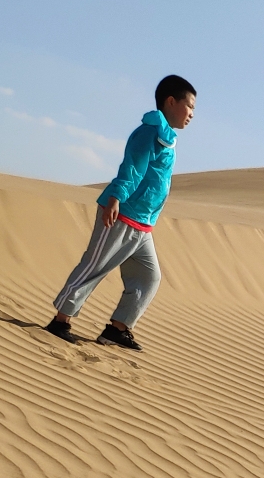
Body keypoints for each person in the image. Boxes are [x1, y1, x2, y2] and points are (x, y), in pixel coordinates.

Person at [45, 77, 196, 350]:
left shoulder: (166, 137)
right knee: (94, 267)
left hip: (143, 223)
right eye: (190, 106)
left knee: (149, 277)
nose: (192, 114)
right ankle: (60, 321)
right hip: (122, 214)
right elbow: (132, 168)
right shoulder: (149, 133)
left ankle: (117, 329)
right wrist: (116, 197)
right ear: (171, 102)